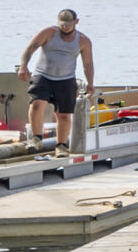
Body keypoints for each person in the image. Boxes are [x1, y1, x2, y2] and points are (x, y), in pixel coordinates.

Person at [19, 9, 96, 153]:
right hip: (43, 75)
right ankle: (36, 138)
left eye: (68, 24)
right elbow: (29, 49)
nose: (65, 27)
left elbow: (88, 63)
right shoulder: (48, 33)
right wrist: (23, 66)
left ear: (76, 22)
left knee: (63, 114)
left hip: (66, 79)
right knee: (37, 104)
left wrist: (90, 83)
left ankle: (61, 146)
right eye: (62, 24)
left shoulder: (83, 40)